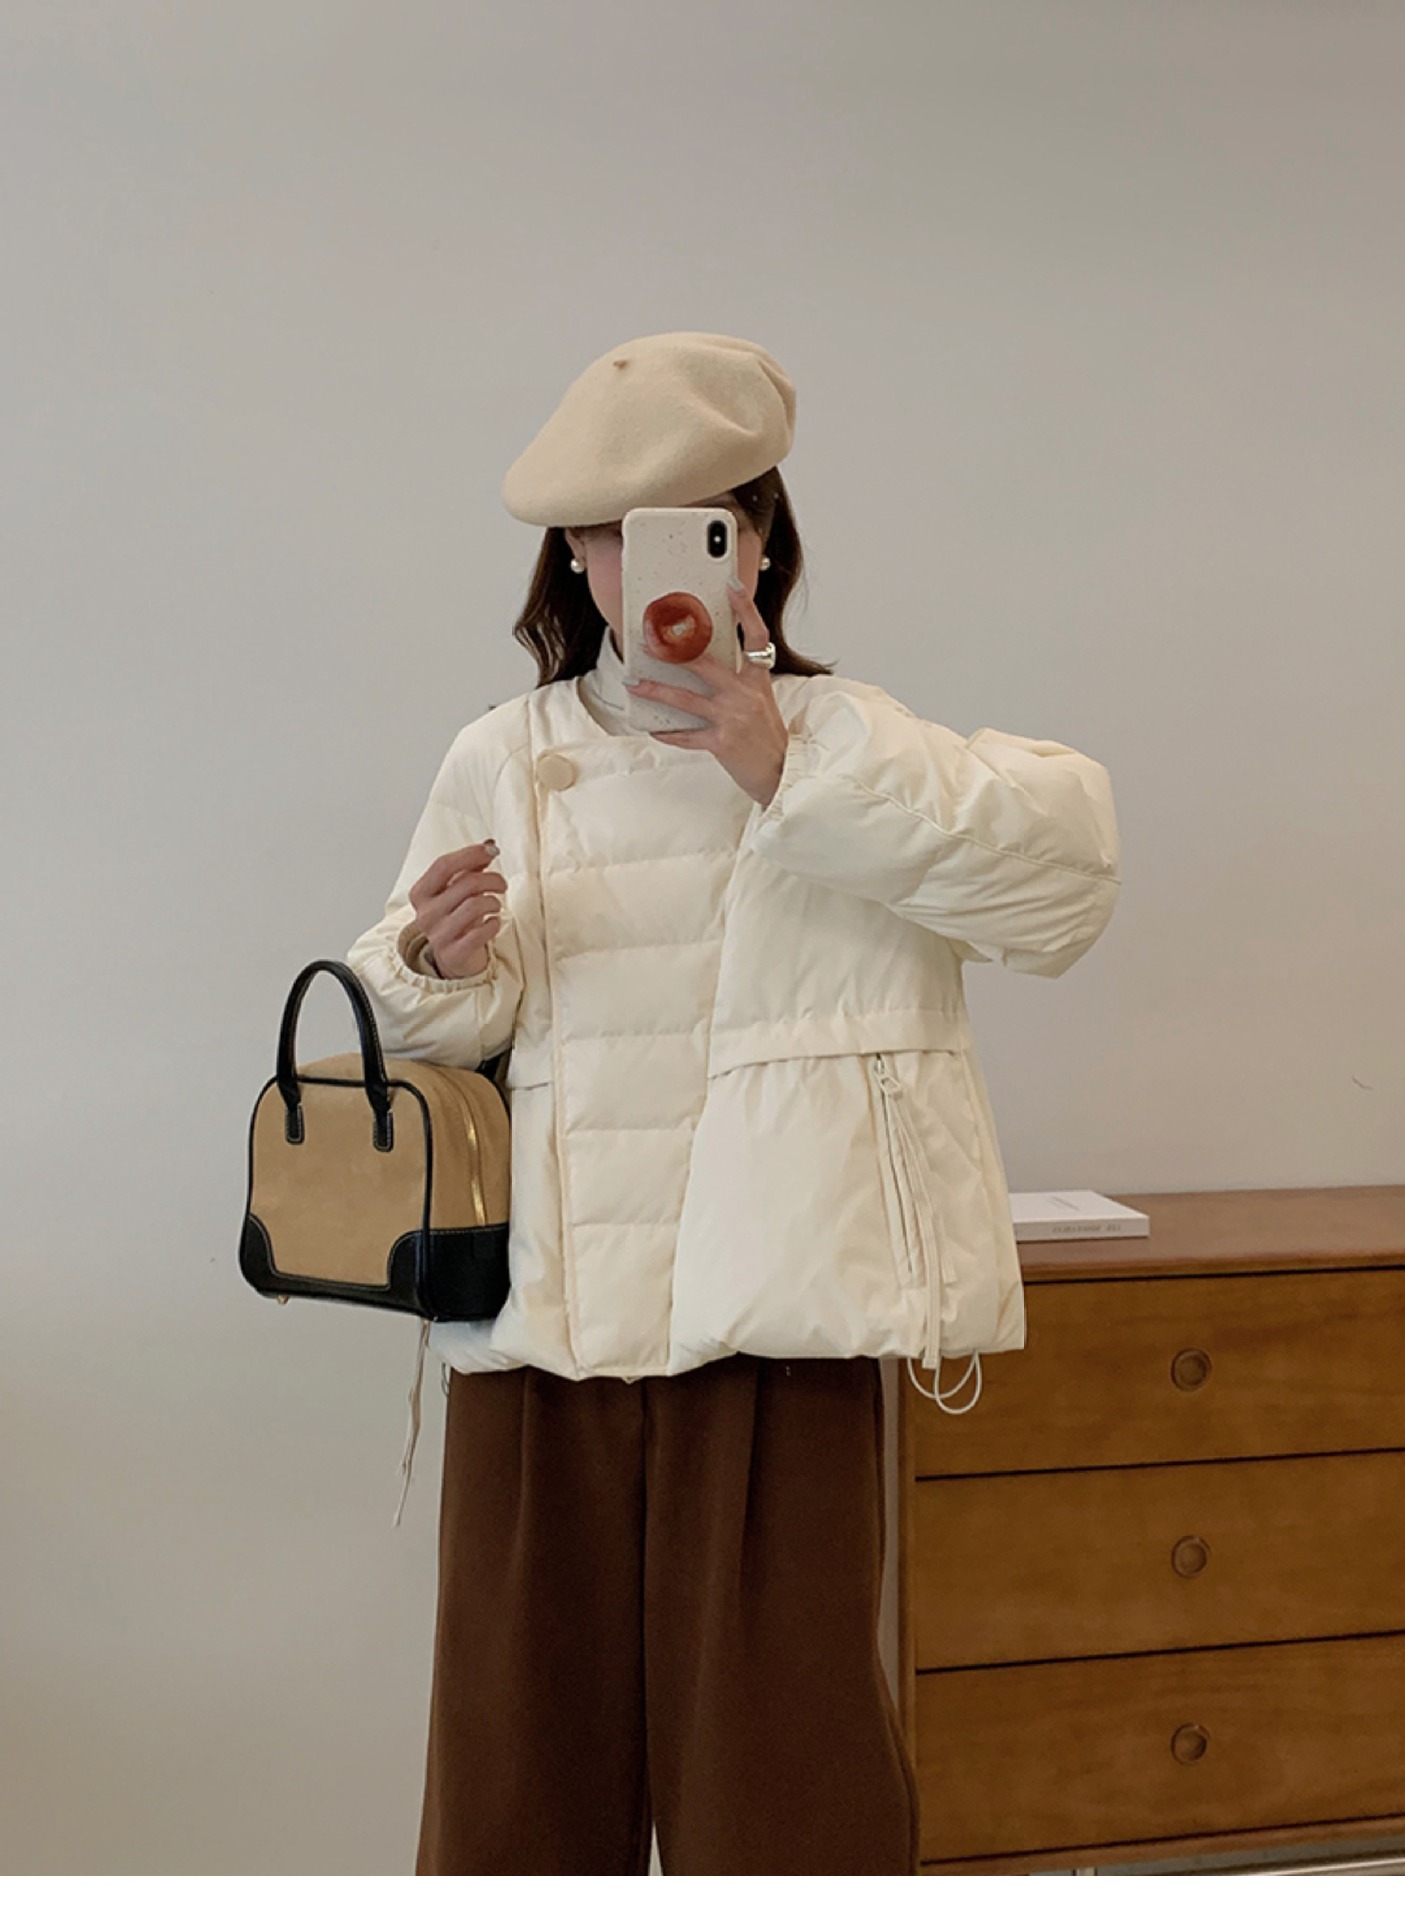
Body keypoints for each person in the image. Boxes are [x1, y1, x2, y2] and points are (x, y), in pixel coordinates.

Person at [346, 331, 1122, 1874]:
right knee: (514, 1807)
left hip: (777, 1346)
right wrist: (432, 960)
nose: (638, 566)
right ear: (574, 559)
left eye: (695, 525)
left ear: (757, 541)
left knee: (789, 1812)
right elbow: (430, 1009)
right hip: (542, 1343)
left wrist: (789, 772)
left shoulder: (851, 744)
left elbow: (1062, 888)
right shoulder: (504, 754)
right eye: (604, 534)